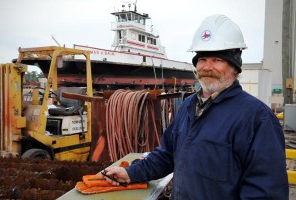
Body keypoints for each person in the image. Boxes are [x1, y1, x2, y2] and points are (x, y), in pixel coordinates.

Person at [102, 14, 289, 199]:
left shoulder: (257, 118)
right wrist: (131, 173)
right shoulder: (188, 106)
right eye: (202, 59)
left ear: (235, 68)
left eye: (217, 60)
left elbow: (266, 193)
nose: (207, 67)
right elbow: (166, 155)